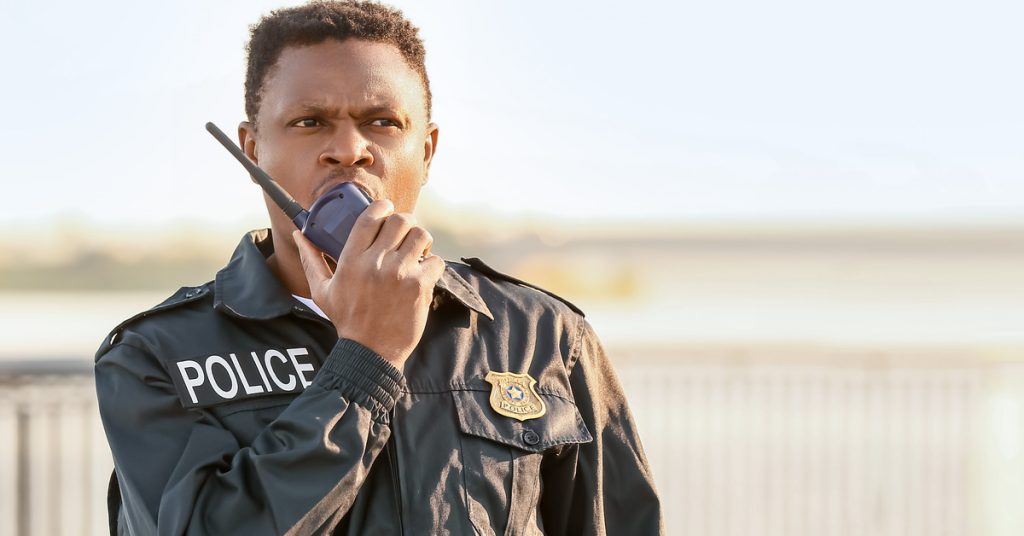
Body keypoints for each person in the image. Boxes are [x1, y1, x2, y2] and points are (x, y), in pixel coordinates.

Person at [94, 2, 663, 534]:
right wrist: (365, 360)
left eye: (383, 122)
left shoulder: (541, 334)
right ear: (252, 151)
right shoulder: (156, 354)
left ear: (428, 150)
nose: (349, 149)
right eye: (310, 122)